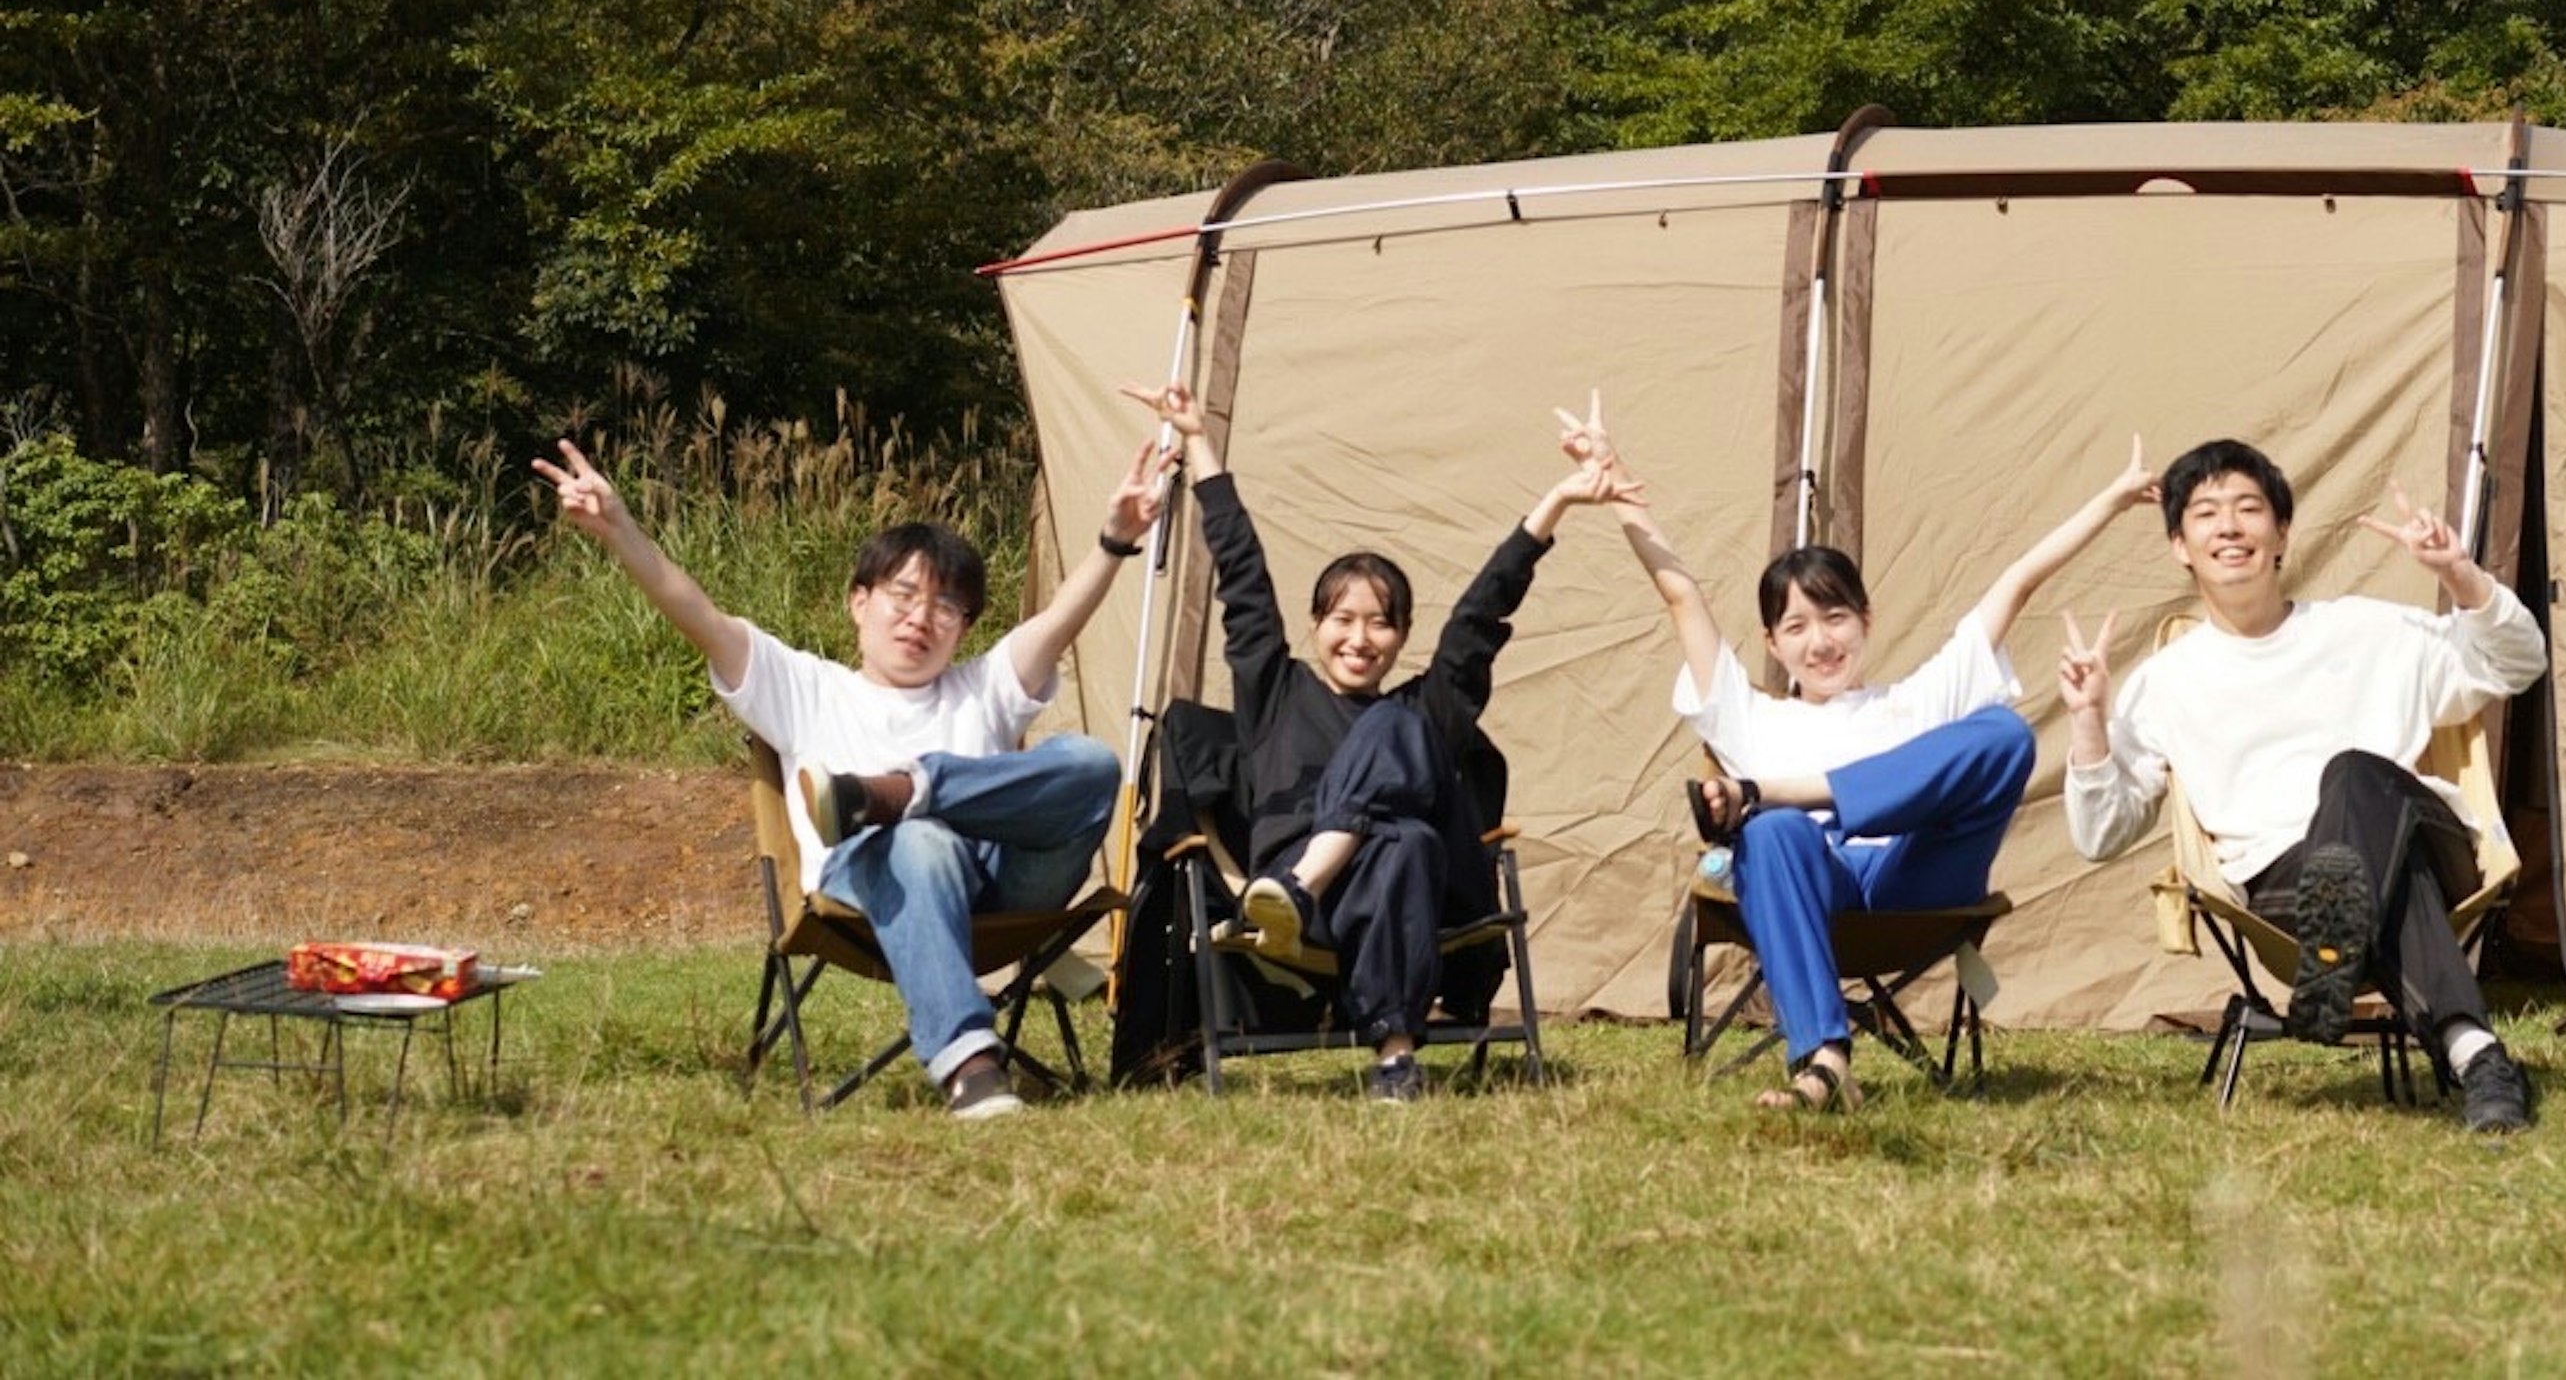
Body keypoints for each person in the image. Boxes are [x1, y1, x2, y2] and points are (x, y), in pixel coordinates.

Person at [535, 436, 1149, 1121]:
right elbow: (697, 614)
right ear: (859, 601)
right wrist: (620, 529)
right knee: (922, 844)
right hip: (870, 888)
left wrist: (1115, 541)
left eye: (947, 607)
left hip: (1004, 889)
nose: (922, 618)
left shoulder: (983, 689)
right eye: (904, 595)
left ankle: (904, 791)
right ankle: (971, 1066)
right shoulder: (804, 687)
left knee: (1089, 764)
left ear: (965, 627)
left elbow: (1060, 622)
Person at [1616, 430, 2157, 1114]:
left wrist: (2109, 501)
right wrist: (1618, 495)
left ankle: (1788, 796)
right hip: (1815, 886)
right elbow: (1680, 599)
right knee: (1775, 833)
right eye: (1797, 626)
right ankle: (1824, 1061)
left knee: (2002, 734)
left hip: (1915, 879)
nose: (1820, 641)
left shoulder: (1915, 702)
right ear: (1772, 645)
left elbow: (2017, 582)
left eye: (1835, 616)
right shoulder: (1752, 718)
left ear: (1866, 620)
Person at [1127, 380, 1615, 1102]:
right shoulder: (1277, 692)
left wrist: (1560, 501)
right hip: (1312, 898)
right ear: (1317, 623)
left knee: (1400, 740)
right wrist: (1198, 442)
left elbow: (1479, 619)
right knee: (1408, 837)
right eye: (1342, 619)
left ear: (1403, 637)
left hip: (1343, 897)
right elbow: (1242, 576)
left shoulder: (1422, 709)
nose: (1359, 639)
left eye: (1380, 623)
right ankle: (1395, 1058)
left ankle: (1308, 884)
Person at [2060, 438, 2550, 1135]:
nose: (2229, 527)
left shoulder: (2370, 629)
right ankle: (2480, 1058)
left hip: (2426, 838)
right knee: (2374, 879)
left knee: (2352, 775)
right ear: (2180, 545)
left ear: (2282, 532)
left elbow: (2518, 664)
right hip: (2284, 890)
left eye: (2249, 508)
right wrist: (2087, 725)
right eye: (2205, 514)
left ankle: (2333, 964)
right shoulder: (2166, 681)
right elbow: (2099, 835)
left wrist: (2462, 575)